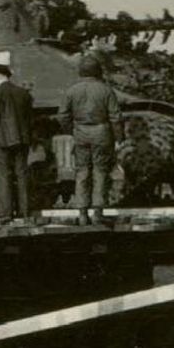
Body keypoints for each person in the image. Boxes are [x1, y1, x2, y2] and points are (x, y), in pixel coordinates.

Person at [57, 55, 121, 225]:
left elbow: (63, 115)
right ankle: (98, 212)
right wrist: (118, 137)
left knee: (82, 172)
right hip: (101, 132)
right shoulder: (106, 90)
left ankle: (82, 213)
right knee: (100, 171)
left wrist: (71, 131)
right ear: (98, 71)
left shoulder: (71, 90)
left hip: (80, 132)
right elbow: (115, 117)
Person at [0, 63, 34, 221]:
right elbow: (29, 118)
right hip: (22, 139)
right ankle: (25, 211)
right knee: (22, 174)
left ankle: (5, 213)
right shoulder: (23, 93)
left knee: (3, 175)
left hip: (1, 140)